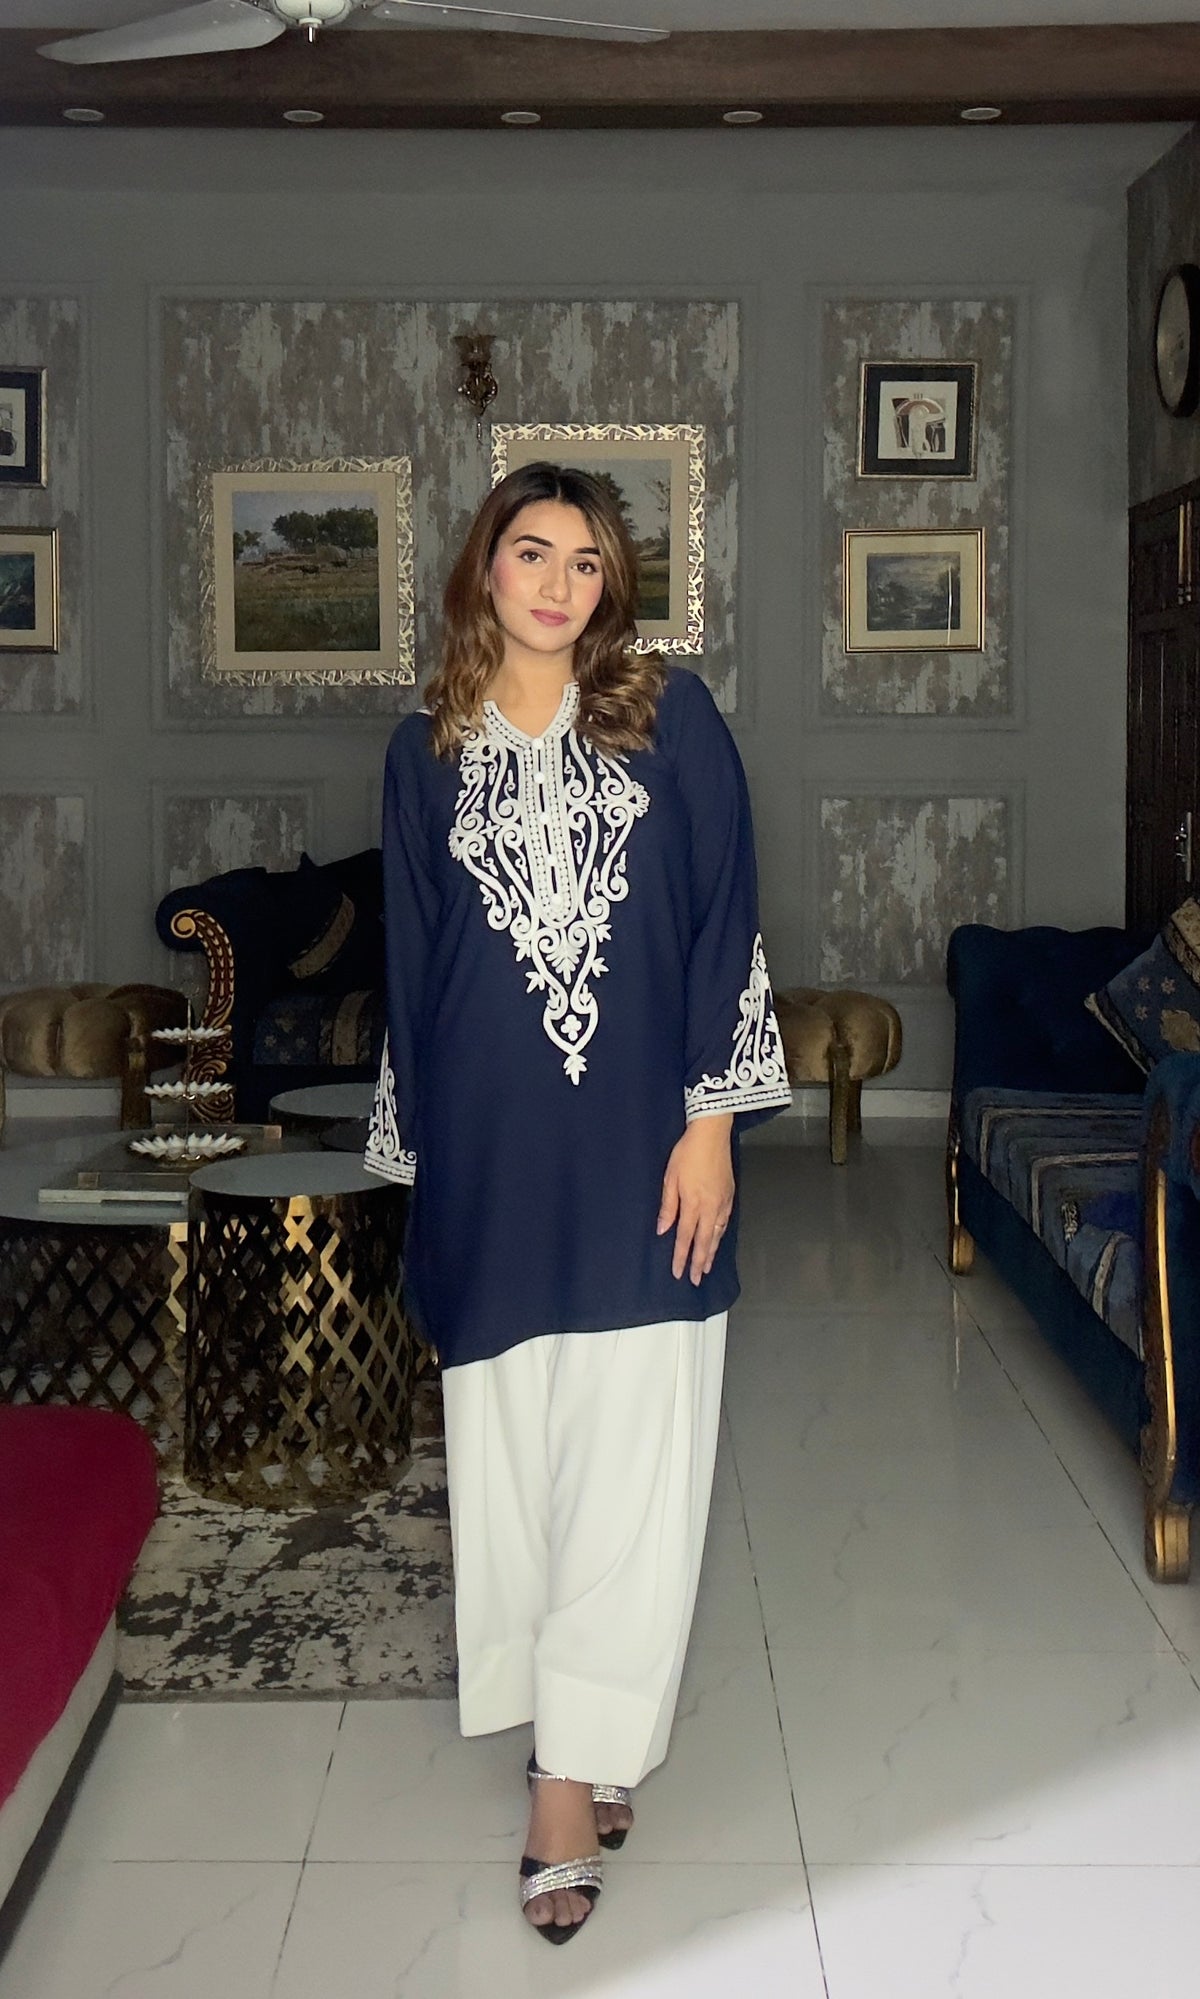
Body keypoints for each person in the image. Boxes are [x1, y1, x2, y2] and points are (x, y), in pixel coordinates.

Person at [364, 461, 791, 1944]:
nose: (558, 584)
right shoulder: (424, 751)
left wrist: (711, 1124)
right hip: (490, 1146)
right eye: (531, 552)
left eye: (587, 561)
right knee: (514, 1457)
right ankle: (584, 1726)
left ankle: (565, 1778)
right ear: (484, 568)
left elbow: (726, 922)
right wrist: (426, 1171)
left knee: (636, 1449)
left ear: (614, 585)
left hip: (642, 1145)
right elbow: (413, 969)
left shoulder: (673, 719)